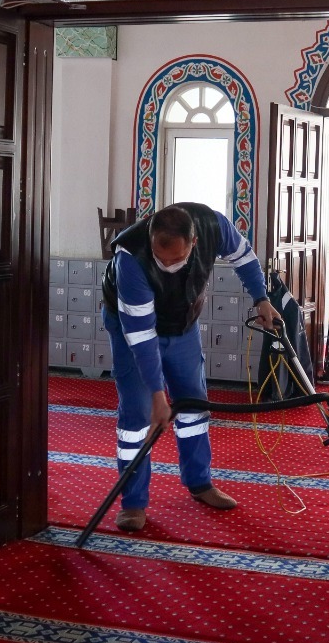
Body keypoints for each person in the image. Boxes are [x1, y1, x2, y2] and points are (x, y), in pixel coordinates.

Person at [100, 202, 279, 532]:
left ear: (193, 244)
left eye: (176, 259)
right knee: (138, 416)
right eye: (160, 257)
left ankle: (199, 483)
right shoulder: (130, 258)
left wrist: (261, 298)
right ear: (152, 237)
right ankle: (133, 502)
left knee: (194, 406)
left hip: (183, 324)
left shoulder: (213, 226)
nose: (168, 265)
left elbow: (244, 257)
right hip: (132, 334)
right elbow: (142, 337)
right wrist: (157, 396)